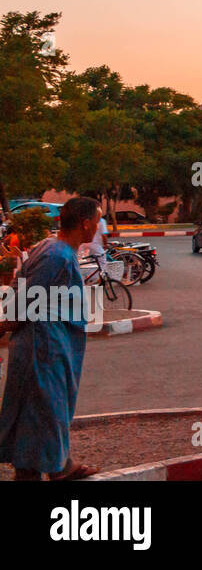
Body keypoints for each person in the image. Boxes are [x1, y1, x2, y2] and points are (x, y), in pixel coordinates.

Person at [0, 196, 101, 480]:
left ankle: (56, 465)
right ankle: (46, 470)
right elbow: (24, 302)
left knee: (44, 409)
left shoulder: (52, 248)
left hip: (52, 345)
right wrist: (3, 325)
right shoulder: (56, 256)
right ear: (85, 224)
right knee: (45, 409)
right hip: (42, 348)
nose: (97, 227)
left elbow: (21, 283)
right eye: (96, 221)